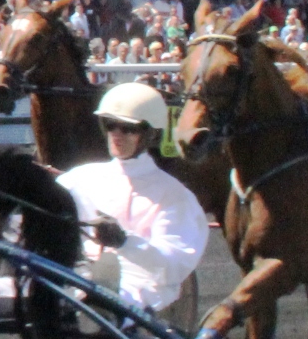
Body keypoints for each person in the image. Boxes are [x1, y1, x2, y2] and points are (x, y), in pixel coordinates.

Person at [55, 83, 208, 314]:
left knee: (103, 300)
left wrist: (125, 243)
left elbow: (174, 266)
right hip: (77, 278)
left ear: (151, 133)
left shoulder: (174, 196)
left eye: (128, 128)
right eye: (110, 125)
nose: (116, 134)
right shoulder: (77, 179)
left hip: (140, 289)